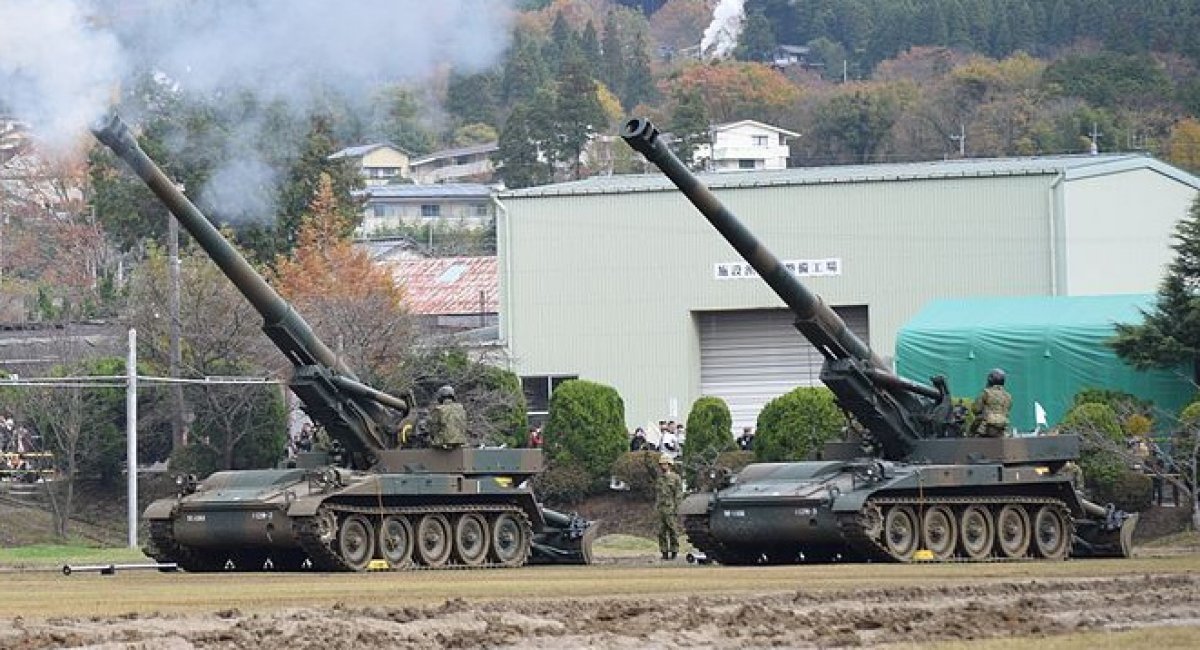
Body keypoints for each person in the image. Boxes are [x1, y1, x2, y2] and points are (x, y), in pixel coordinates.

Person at [654, 453, 684, 561]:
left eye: (665, 464)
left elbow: (679, 494)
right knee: (661, 532)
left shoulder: (675, 478)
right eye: (661, 464)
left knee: (673, 531)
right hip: (661, 508)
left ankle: (674, 551)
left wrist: (677, 508)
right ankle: (664, 552)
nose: (663, 466)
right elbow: (658, 494)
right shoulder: (660, 479)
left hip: (671, 508)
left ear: (670, 465)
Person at [970, 368, 1012, 438]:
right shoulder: (1008, 395)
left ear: (990, 380)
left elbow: (976, 409)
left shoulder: (986, 393)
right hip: (1003, 427)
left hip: (985, 427)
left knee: (971, 435)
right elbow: (1008, 409)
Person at [427, 385, 467, 449]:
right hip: (460, 441)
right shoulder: (461, 408)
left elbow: (434, 429)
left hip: (443, 442)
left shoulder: (438, 409)